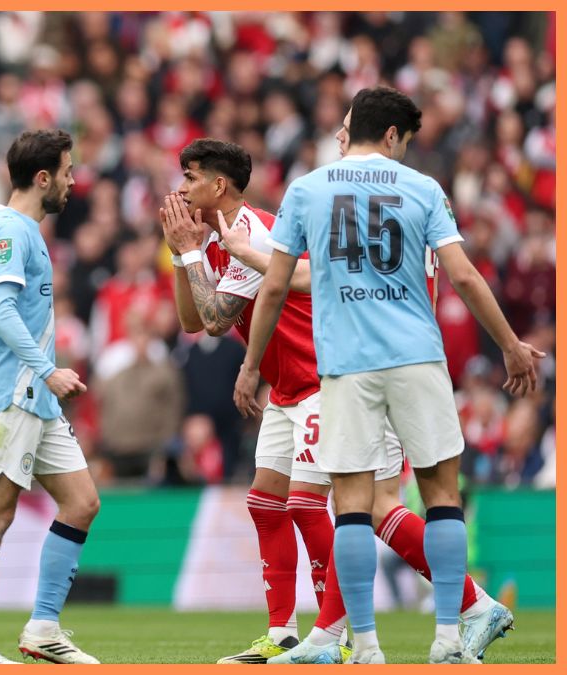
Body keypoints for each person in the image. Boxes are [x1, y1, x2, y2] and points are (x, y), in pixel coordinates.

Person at [233, 86, 543, 664]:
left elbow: (276, 285)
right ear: (396, 135)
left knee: (351, 506)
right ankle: (449, 639)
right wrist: (509, 346)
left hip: (347, 366)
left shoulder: (306, 190)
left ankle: (366, 648)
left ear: (356, 128)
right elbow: (466, 277)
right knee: (442, 498)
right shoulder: (423, 189)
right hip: (417, 360)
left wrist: (251, 365)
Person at [160, 138, 333, 664]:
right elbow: (192, 322)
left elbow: (215, 319)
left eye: (191, 178)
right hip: (284, 386)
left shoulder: (252, 231)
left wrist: (190, 252)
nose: (182, 188)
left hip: (322, 378)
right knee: (264, 503)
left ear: (219, 185)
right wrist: (179, 253)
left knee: (306, 507)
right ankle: (281, 633)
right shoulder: (211, 237)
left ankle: (337, 634)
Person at [0, 129, 100, 665]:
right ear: (43, 178)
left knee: (82, 502)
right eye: (67, 170)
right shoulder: (9, 231)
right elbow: (3, 313)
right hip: (11, 392)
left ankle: (43, 628)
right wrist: (48, 369)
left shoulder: (25, 231)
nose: (72, 180)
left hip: (35, 396)